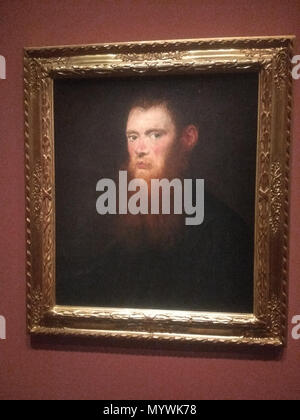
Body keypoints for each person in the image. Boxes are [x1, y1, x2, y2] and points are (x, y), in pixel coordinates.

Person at [57, 90, 254, 313]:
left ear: (188, 138)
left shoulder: (223, 230)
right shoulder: (137, 216)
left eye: (155, 135)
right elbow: (104, 278)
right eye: (133, 137)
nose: (140, 149)